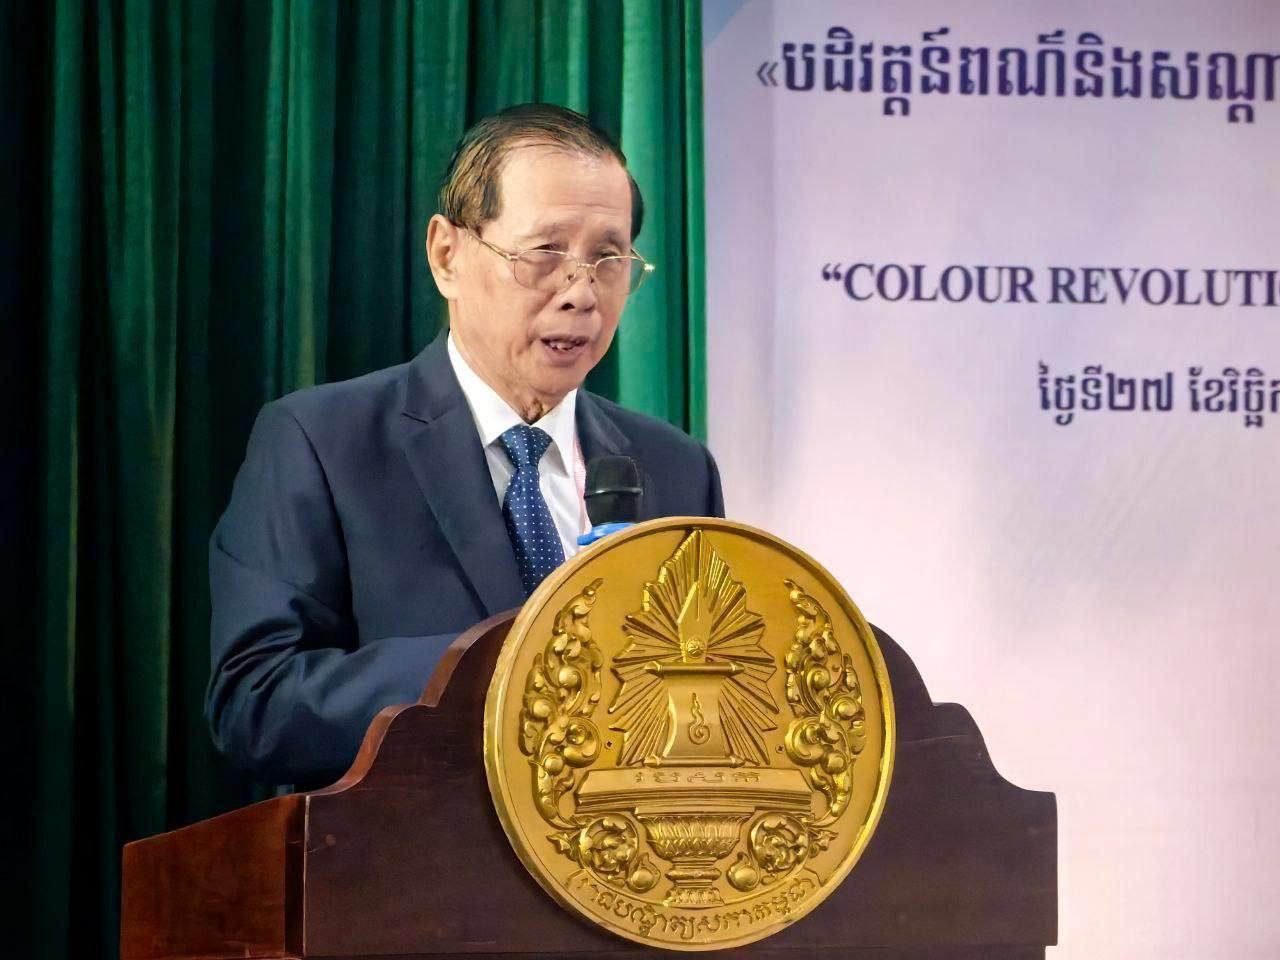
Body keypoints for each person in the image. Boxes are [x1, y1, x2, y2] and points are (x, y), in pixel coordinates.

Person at [205, 104, 724, 786]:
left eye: (608, 258)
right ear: (447, 255)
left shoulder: (676, 469)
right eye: (545, 254)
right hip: (413, 847)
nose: (582, 293)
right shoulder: (323, 442)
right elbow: (257, 702)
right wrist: (505, 666)